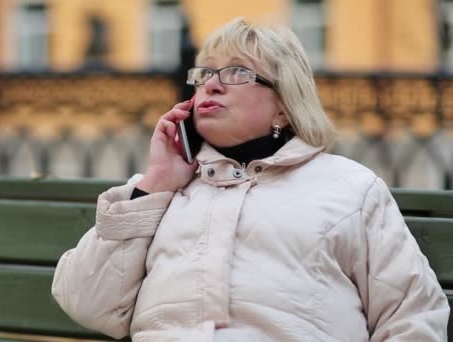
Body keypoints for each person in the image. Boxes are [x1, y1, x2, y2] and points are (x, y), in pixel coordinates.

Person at [51, 17, 449, 341]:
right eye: (205, 72)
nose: (212, 83)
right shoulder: (160, 190)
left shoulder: (350, 189)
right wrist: (156, 182)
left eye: (238, 72)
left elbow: (412, 316)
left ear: (284, 104)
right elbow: (87, 305)